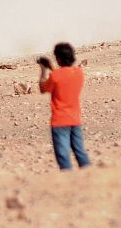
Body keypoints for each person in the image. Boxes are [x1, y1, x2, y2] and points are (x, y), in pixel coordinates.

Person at [38, 43, 91, 171]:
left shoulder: (55, 76)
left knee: (63, 154)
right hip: (75, 119)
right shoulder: (78, 73)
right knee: (80, 151)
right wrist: (51, 67)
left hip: (60, 121)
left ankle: (68, 177)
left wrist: (44, 70)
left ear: (58, 58)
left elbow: (43, 88)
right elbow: (63, 76)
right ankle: (89, 174)